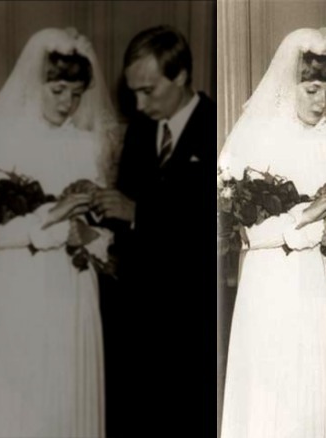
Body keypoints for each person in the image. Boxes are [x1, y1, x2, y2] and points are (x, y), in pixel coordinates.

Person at [217, 27, 326, 437]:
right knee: (278, 401)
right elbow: (232, 232)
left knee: (323, 398)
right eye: (313, 90)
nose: (322, 104)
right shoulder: (252, 139)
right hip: (273, 290)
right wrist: (302, 222)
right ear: (291, 82)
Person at [0, 28, 118, 437]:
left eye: (76, 93)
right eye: (58, 90)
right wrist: (50, 221)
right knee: (24, 397)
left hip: (72, 285)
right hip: (19, 287)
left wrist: (93, 236)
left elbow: (102, 229)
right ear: (37, 82)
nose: (67, 104)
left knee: (68, 395)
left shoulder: (87, 146)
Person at [90, 25, 216, 436]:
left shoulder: (217, 123)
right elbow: (126, 202)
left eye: (148, 90)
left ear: (179, 76)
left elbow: (212, 221)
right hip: (136, 306)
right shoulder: (143, 129)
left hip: (188, 310)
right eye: (133, 93)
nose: (139, 105)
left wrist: (138, 213)